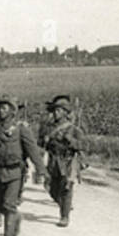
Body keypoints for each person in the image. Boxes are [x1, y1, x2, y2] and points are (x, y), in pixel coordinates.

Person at [0, 95, 46, 236]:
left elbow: (32, 150)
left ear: (12, 111)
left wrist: (41, 170)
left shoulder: (20, 128)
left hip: (15, 172)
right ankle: (16, 218)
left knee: (9, 204)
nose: (0, 111)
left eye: (4, 108)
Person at [43, 95, 84, 227]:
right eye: (55, 110)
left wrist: (68, 139)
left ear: (65, 113)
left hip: (67, 162)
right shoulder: (50, 128)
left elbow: (82, 145)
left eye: (59, 111)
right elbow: (43, 145)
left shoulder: (73, 129)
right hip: (53, 161)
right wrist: (45, 141)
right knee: (51, 189)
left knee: (66, 188)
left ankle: (64, 216)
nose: (55, 113)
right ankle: (63, 205)